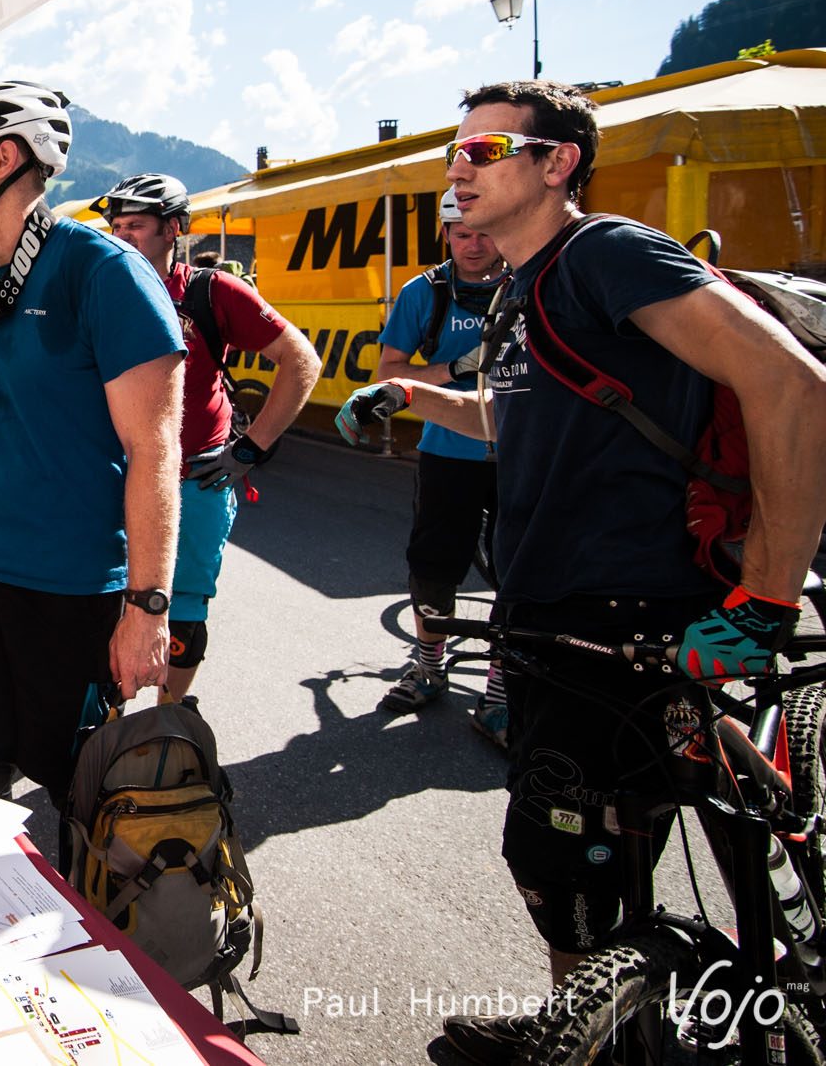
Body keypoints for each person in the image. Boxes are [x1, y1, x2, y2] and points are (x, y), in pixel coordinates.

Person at [335, 79, 826, 1065]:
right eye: (451, 152)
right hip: (547, 611)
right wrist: (410, 396)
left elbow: (790, 384)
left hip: (630, 606)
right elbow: (505, 418)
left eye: (481, 151)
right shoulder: (523, 288)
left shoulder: (601, 252)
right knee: (591, 844)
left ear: (556, 162)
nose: (454, 170)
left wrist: (764, 601)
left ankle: (637, 1020)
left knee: (561, 850)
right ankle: (596, 1021)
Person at [0, 81, 185, 800]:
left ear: (7, 159)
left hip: (67, 588)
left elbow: (156, 449)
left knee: (80, 792)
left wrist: (149, 609)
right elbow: (11, 410)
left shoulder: (105, 273)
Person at [95, 173, 319, 706]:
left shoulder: (210, 291)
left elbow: (299, 360)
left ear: (173, 228)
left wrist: (251, 447)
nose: (122, 238)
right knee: (106, 607)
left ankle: (166, 731)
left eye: (137, 227)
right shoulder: (100, 289)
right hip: (115, 475)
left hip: (194, 478)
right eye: (116, 227)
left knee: (183, 618)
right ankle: (109, 729)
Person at [373, 187, 511, 739]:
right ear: (446, 235)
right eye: (460, 234)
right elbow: (389, 374)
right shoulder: (423, 293)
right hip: (448, 451)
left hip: (522, 454)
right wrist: (459, 368)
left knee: (519, 572)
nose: (472, 245)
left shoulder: (529, 285)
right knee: (433, 566)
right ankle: (429, 670)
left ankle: (500, 696)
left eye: (482, 233)